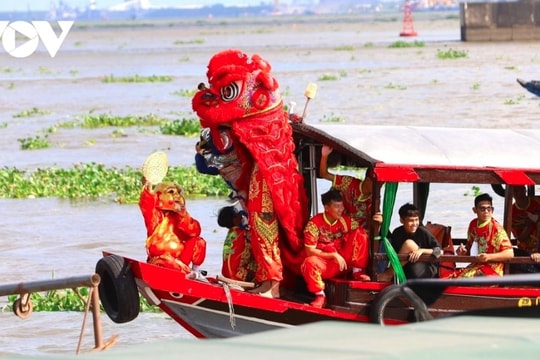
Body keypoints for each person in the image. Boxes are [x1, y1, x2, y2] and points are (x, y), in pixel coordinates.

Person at [301, 189, 370, 308]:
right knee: (309, 262)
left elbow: (364, 233)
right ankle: (320, 296)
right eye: (337, 206)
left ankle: (357, 272)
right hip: (327, 264)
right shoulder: (314, 224)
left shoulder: (345, 221)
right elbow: (309, 251)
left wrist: (376, 223)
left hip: (344, 262)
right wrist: (333, 255)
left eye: (342, 206)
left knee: (360, 233)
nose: (341, 209)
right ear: (327, 208)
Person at [139, 179, 206, 277]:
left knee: (199, 241)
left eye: (178, 193)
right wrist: (147, 186)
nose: (177, 195)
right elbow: (147, 204)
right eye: (171, 192)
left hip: (180, 261)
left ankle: (195, 271)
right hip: (161, 261)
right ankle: (188, 273)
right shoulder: (156, 216)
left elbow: (194, 232)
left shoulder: (181, 215)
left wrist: (182, 213)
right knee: (167, 259)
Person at [450, 193, 514, 278]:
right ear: (475, 210)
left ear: (492, 210)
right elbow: (470, 249)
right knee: (451, 278)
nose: (486, 212)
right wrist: (463, 252)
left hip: (492, 270)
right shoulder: (473, 225)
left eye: (489, 208)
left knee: (467, 280)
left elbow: (509, 253)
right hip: (475, 266)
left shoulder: (496, 228)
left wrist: (488, 257)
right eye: (482, 209)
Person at [319, 144, 376, 231]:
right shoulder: (348, 182)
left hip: (360, 235)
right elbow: (324, 174)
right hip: (339, 229)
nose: (379, 187)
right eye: (377, 184)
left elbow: (372, 223)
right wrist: (324, 155)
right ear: (368, 180)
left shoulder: (375, 198)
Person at [389, 203, 442, 279]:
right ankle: (391, 274)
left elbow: (439, 251)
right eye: (411, 221)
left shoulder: (423, 232)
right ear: (401, 220)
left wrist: (421, 251)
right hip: (405, 268)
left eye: (416, 220)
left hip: (426, 270)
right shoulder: (397, 232)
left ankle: (389, 274)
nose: (414, 224)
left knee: (409, 244)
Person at [217, 205, 257, 282]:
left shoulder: (230, 233)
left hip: (226, 275)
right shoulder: (245, 232)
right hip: (238, 276)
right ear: (234, 219)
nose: (241, 215)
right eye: (237, 214)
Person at [510, 185, 540, 272]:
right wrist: (528, 225)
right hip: (526, 250)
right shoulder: (511, 211)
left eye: (521, 190)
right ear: (512, 194)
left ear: (525, 190)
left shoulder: (537, 202)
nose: (519, 193)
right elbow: (520, 238)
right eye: (516, 191)